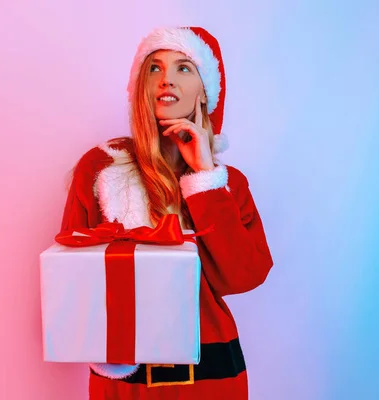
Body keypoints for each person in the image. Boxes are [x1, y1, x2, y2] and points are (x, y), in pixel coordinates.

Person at [58, 26, 274, 400]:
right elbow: (72, 276)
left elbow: (242, 277)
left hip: (211, 374)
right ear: (139, 87)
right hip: (126, 378)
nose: (166, 79)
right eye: (154, 68)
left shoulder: (227, 183)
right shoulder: (100, 169)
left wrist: (205, 178)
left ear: (205, 93)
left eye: (184, 68)